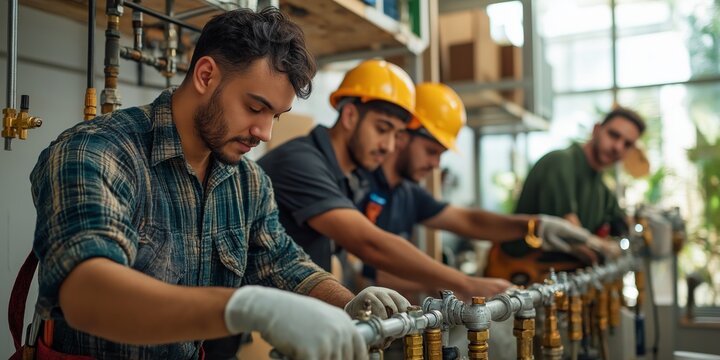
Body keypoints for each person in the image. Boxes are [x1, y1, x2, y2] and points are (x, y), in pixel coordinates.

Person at [27, 9, 407, 360]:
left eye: (276, 115)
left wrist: (350, 303)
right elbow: (87, 295)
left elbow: (282, 263)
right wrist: (245, 309)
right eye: (256, 108)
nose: (266, 132)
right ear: (205, 75)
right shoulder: (97, 153)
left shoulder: (247, 181)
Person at [258, 60, 513, 301]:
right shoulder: (301, 163)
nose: (389, 146)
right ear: (349, 116)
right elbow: (370, 244)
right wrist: (465, 284)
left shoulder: (349, 179)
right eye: (382, 129)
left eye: (396, 134)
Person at [355, 82, 607, 294]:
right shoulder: (359, 185)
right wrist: (458, 285)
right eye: (431, 152)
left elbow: (470, 221)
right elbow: (362, 271)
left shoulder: (406, 193)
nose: (435, 164)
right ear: (402, 135)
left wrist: (535, 225)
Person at [491, 107, 645, 280]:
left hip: (558, 282)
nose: (618, 147)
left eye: (627, 144)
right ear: (596, 130)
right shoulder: (561, 162)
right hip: (521, 278)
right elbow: (571, 232)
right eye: (614, 135)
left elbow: (624, 225)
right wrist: (604, 247)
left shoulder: (601, 188)